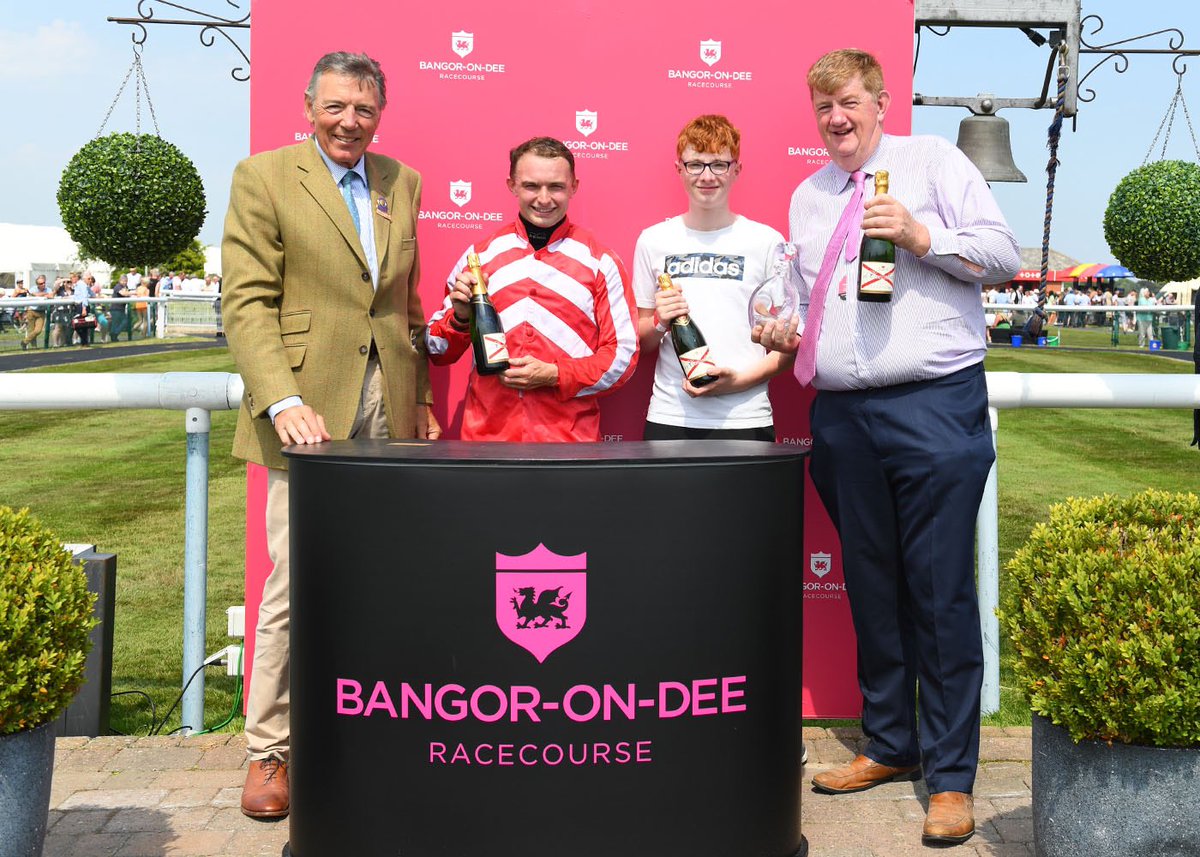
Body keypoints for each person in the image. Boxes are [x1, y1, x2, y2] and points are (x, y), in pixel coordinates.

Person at [755, 48, 1019, 846]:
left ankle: (951, 776)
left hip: (933, 403)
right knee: (871, 584)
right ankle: (892, 742)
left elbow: (1002, 257)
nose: (836, 118)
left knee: (939, 591)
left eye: (849, 102)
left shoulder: (932, 161)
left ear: (880, 102)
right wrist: (783, 328)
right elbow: (807, 300)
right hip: (843, 413)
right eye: (823, 107)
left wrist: (919, 233)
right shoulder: (808, 195)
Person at [221, 50, 439, 820]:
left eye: (365, 109)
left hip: (392, 407)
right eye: (337, 106)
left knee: (386, 575)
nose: (350, 121)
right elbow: (246, 302)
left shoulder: (401, 181)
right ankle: (270, 750)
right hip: (306, 410)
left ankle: (371, 730)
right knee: (296, 582)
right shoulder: (264, 177)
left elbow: (405, 304)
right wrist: (281, 397)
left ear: (381, 113)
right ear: (309, 105)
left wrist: (422, 400)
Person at [425, 136, 638, 440]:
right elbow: (437, 349)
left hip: (568, 445)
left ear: (574, 187)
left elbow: (622, 358)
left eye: (556, 187)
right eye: (531, 186)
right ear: (512, 185)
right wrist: (460, 319)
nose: (544, 198)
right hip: (486, 441)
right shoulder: (479, 258)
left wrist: (555, 374)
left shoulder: (601, 263)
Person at [631, 115, 792, 440]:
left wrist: (737, 383)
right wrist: (661, 321)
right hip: (671, 415)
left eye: (718, 164)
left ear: (736, 169)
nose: (707, 176)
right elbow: (642, 342)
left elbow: (788, 347)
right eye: (695, 165)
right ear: (679, 169)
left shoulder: (766, 242)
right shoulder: (653, 240)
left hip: (745, 417)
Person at [19, 276, 49, 350]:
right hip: (31, 311)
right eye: (41, 283)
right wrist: (45, 294)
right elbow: (35, 294)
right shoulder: (33, 289)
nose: (43, 284)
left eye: (44, 283)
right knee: (31, 330)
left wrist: (43, 294)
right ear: (37, 284)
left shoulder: (48, 289)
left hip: (41, 312)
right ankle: (34, 348)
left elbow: (51, 295)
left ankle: (25, 342)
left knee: (38, 330)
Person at [110, 274, 131, 342]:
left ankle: (114, 334)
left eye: (126, 281)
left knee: (124, 322)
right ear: (120, 280)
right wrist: (135, 293)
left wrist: (128, 293)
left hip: (121, 308)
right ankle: (114, 336)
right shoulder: (117, 286)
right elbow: (123, 294)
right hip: (115, 308)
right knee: (116, 323)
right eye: (123, 281)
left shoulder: (126, 287)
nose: (125, 282)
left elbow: (127, 294)